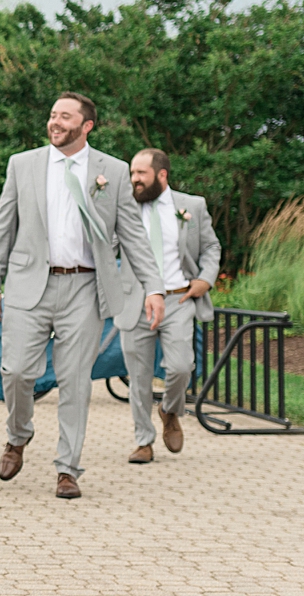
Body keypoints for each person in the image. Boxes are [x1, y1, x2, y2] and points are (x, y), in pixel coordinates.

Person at [0, 92, 163, 499]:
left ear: (87, 126)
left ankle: (68, 467)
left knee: (76, 382)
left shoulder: (111, 172)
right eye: (52, 115)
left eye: (65, 117)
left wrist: (154, 287)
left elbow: (133, 236)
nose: (56, 122)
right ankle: (18, 434)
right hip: (30, 284)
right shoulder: (22, 164)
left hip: (85, 287)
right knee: (16, 372)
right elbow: (3, 228)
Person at [121, 148, 221, 463]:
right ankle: (143, 441)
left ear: (162, 175)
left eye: (141, 174)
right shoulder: (123, 207)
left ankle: (169, 410)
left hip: (178, 298)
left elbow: (211, 245)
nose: (134, 180)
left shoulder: (192, 206)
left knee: (180, 367)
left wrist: (205, 279)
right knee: (138, 376)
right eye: (133, 173)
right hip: (135, 300)